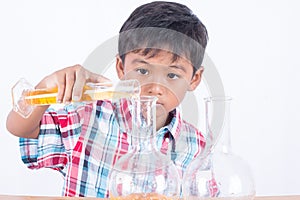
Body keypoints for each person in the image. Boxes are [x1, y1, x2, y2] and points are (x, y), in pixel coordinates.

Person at [6, 1, 209, 198]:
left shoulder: (195, 146)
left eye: (172, 75)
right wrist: (45, 88)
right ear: (121, 68)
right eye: (142, 70)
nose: (155, 88)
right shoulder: (88, 118)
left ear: (194, 79)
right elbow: (21, 128)